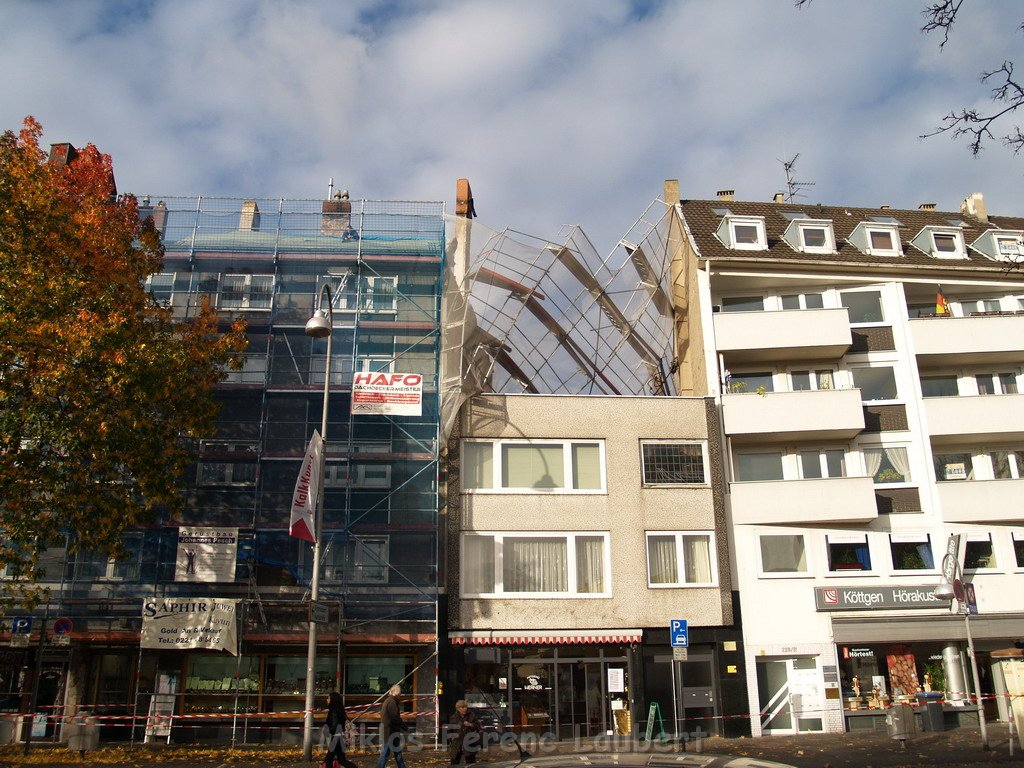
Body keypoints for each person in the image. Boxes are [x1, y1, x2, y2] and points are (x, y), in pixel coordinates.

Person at [375, 684, 408, 768]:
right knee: (385, 754)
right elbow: (395, 717)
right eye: (400, 694)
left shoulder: (388, 701)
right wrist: (403, 725)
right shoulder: (392, 702)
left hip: (390, 731)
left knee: (397, 754)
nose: (400, 696)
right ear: (396, 693)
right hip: (390, 732)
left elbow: (383, 715)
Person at [323, 691, 358, 768]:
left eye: (328, 698)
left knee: (329, 759)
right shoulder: (339, 710)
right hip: (340, 737)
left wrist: (329, 730)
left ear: (333, 699)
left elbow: (335, 726)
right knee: (341, 760)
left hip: (336, 738)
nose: (327, 699)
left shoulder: (334, 711)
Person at [448, 699, 482, 765]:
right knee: (454, 764)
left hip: (469, 742)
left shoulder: (471, 715)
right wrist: (452, 739)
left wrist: (470, 725)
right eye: (462, 707)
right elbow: (450, 730)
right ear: (458, 709)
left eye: (465, 707)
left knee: (470, 764)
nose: (464, 709)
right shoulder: (454, 717)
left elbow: (478, 727)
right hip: (457, 744)